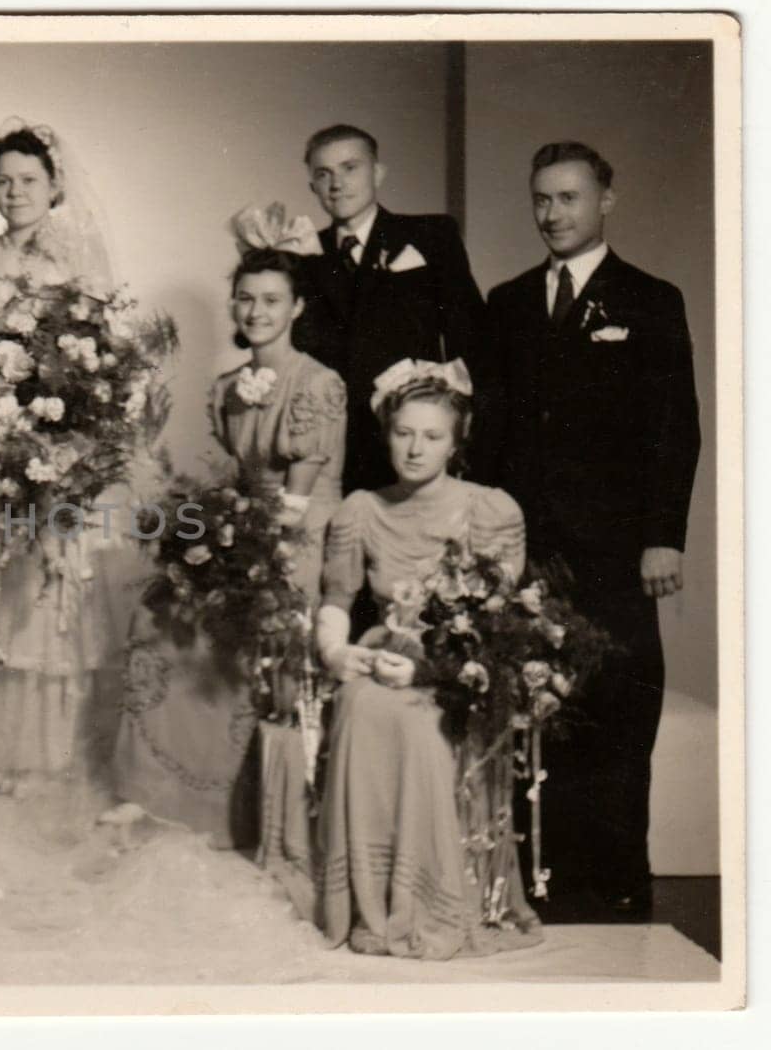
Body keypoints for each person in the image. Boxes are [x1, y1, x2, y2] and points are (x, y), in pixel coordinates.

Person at [490, 142, 701, 920]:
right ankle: (537, 883)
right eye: (542, 198)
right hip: (526, 549)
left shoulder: (650, 299)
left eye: (569, 198)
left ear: (605, 200)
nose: (553, 214)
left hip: (616, 550)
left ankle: (615, 885)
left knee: (617, 709)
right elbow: (490, 431)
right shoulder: (507, 301)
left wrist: (663, 535)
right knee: (533, 706)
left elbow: (676, 429)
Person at [285, 360, 542, 959]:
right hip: (384, 661)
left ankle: (428, 902)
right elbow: (337, 597)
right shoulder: (360, 510)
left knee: (417, 723)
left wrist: (431, 671)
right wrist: (334, 649)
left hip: (456, 675)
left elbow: (499, 629)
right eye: (404, 433)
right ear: (386, 433)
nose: (415, 448)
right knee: (355, 705)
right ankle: (364, 902)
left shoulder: (491, 511)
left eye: (432, 436)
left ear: (457, 441)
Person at [112, 232, 346, 847]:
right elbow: (239, 487)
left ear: (297, 308)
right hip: (247, 536)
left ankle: (230, 811)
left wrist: (229, 553)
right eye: (245, 299)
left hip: (301, 538)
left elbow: (293, 505)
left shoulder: (317, 385)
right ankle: (159, 792)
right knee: (159, 610)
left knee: (237, 615)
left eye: (272, 300)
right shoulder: (227, 388)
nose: (256, 312)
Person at [0, 121, 128, 796]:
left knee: (41, 591)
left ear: (54, 184)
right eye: (3, 180)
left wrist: (57, 416)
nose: (14, 192)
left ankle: (42, 755)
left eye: (28, 180)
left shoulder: (79, 261)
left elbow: (105, 364)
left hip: (51, 449)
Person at [292, 124, 488, 493]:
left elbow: (472, 338)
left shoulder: (430, 235)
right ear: (312, 187)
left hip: (409, 444)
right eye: (323, 174)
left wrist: (464, 438)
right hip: (328, 448)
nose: (337, 183)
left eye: (350, 168)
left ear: (377, 172)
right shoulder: (301, 256)